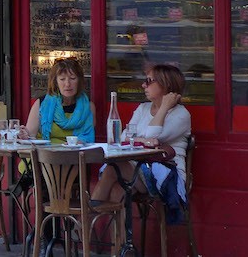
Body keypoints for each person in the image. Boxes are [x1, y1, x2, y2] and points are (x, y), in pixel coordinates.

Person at [91, 64, 191, 214]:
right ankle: (117, 237)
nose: (144, 85)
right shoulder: (142, 108)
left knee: (113, 168)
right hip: (137, 167)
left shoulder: (181, 115)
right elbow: (124, 136)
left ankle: (84, 224)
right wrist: (143, 141)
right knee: (117, 190)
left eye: (149, 81)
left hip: (165, 175)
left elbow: (152, 136)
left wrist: (164, 107)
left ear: (166, 84)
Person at [21, 57, 95, 144]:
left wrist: (78, 143)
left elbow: (88, 138)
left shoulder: (88, 106)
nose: (67, 84)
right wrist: (24, 135)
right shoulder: (41, 103)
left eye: (72, 78)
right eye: (62, 79)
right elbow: (30, 136)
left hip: (75, 154)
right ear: (55, 82)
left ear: (79, 81)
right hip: (44, 154)